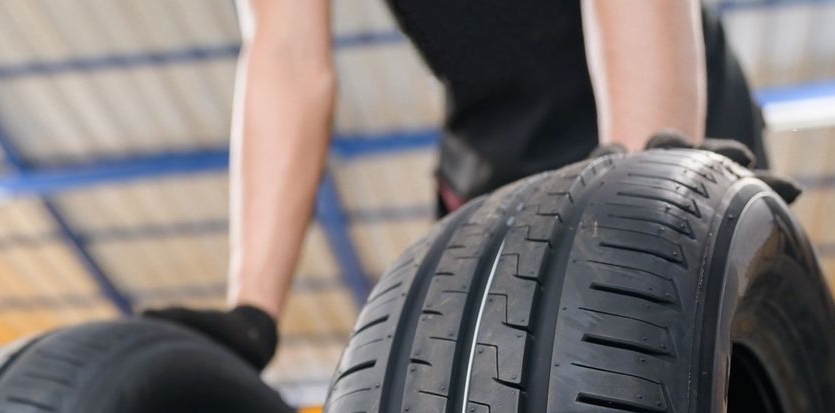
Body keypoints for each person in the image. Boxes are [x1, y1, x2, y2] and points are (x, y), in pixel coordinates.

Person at [148, 0, 779, 370]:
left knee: (669, 394)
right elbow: (286, 54)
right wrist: (254, 310)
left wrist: (650, 189)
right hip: (499, 153)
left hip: (667, 105)